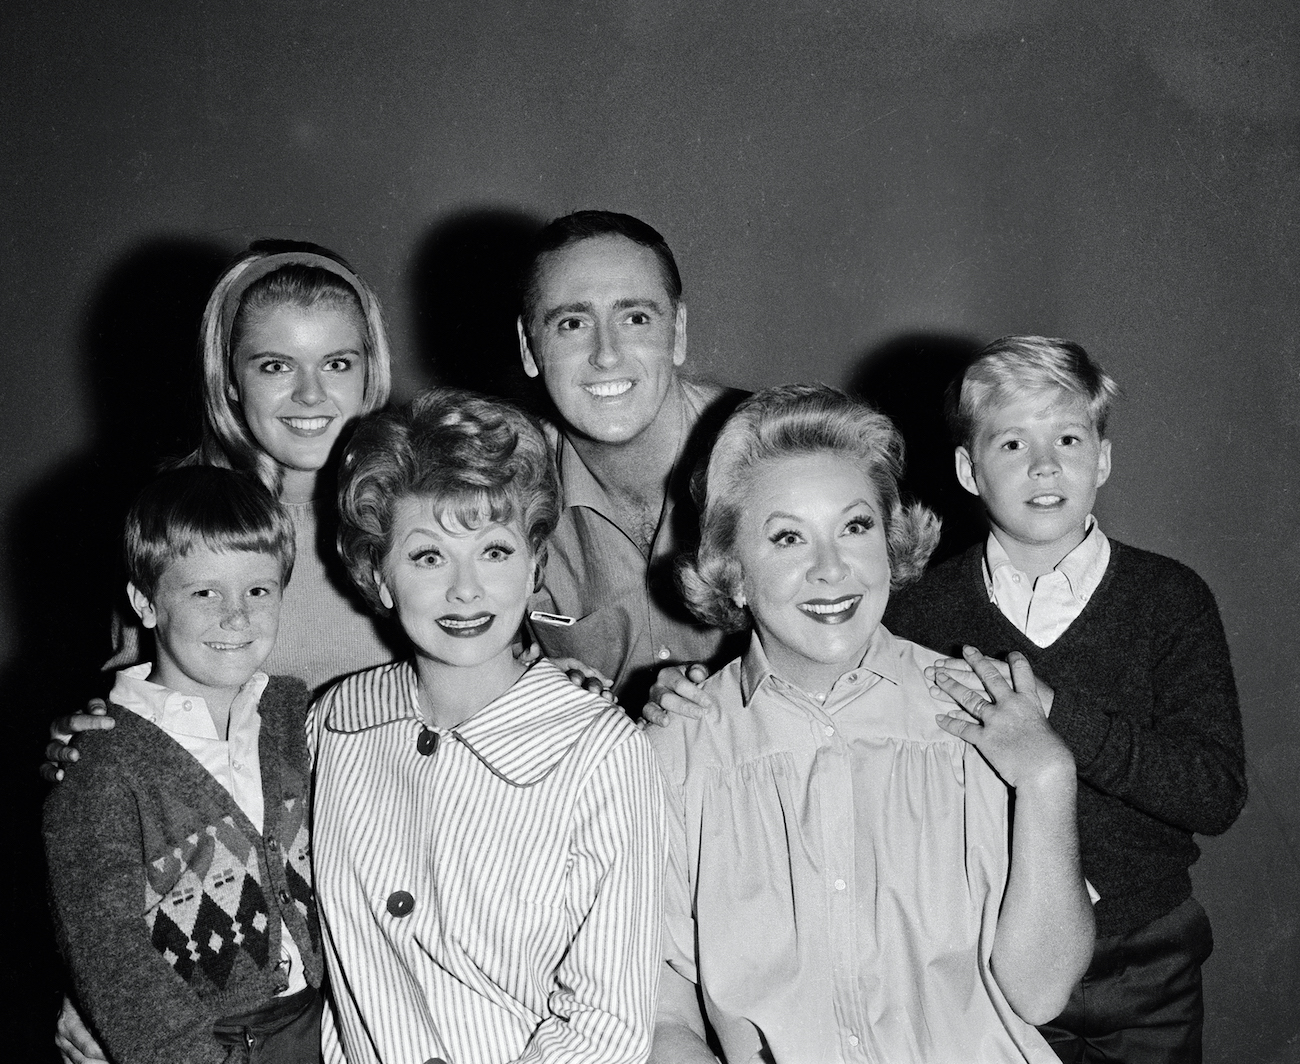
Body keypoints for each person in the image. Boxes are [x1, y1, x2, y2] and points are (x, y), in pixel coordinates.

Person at [647, 384, 1094, 1064]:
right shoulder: (677, 747)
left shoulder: (980, 712)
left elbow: (1040, 995)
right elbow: (664, 1017)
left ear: (890, 545)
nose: (831, 569)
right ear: (733, 573)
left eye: (855, 528)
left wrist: (1048, 777)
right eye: (788, 537)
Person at [882, 336, 1246, 1062]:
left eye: (1069, 438)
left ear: (1102, 458)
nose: (1045, 465)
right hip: (985, 956)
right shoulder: (917, 613)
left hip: (1150, 954)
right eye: (1012, 442)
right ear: (967, 469)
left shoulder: (1169, 599)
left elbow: (1216, 794)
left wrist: (1054, 717)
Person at [312, 388, 665, 1064]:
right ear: (377, 575)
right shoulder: (333, 727)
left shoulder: (602, 753)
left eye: (495, 552)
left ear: (535, 566)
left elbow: (607, 1026)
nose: (466, 588)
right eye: (428, 556)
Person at [43, 466, 324, 1064]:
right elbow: (106, 951)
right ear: (145, 603)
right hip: (197, 1044)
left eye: (259, 590)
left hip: (322, 1028)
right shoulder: (100, 759)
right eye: (205, 592)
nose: (237, 616)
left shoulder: (291, 712)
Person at [516, 210, 746, 710]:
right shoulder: (500, 488)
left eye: (635, 318)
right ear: (529, 347)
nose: (606, 354)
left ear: (678, 331)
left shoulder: (771, 454)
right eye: (572, 324)